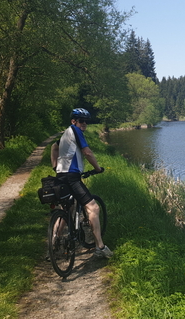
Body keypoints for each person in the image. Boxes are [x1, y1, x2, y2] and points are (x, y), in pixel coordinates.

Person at [51, 108, 113, 258]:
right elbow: (87, 152)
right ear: (74, 121)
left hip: (61, 176)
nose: (84, 123)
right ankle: (100, 247)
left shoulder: (66, 133)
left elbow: (54, 147)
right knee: (93, 207)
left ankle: (53, 244)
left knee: (67, 208)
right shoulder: (75, 131)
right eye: (81, 121)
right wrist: (97, 168)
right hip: (72, 177)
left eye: (86, 121)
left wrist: (55, 167)